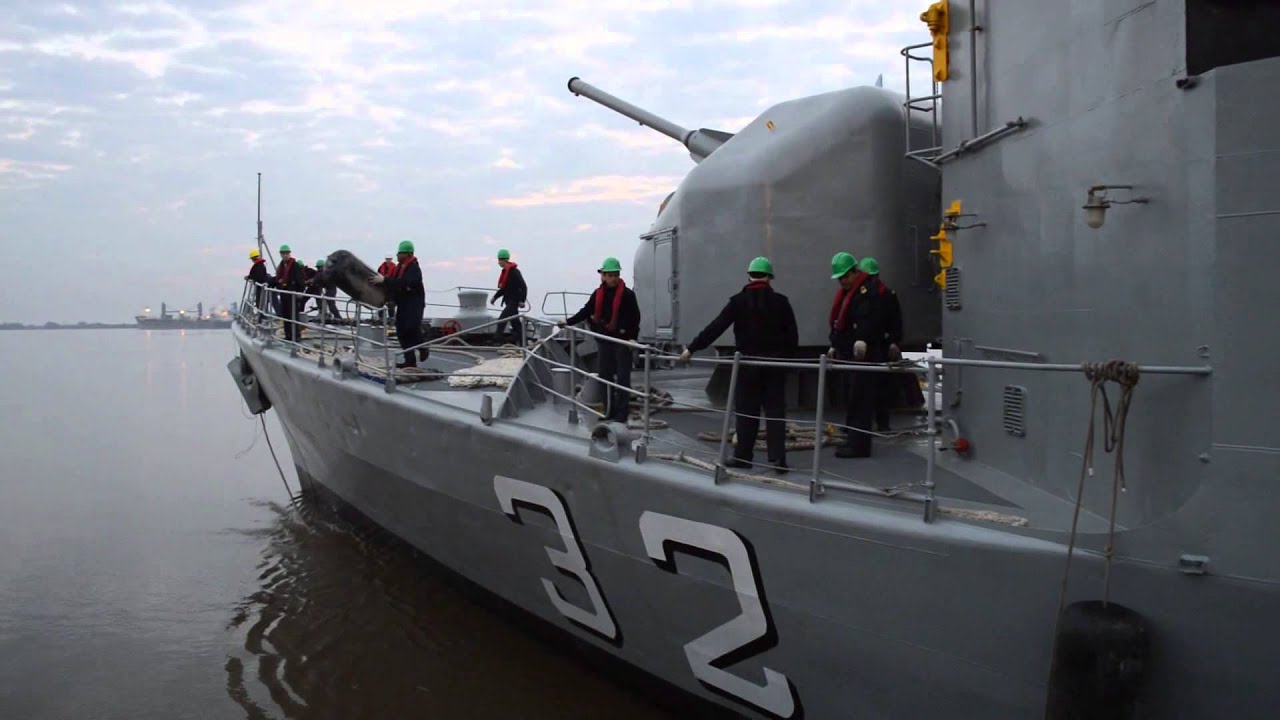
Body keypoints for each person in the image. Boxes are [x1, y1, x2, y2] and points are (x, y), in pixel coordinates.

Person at [679, 257, 798, 473]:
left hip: (747, 366)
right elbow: (792, 337)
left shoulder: (737, 302)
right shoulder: (782, 302)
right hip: (774, 367)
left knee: (746, 412)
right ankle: (778, 460)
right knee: (775, 413)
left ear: (749, 276)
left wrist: (692, 348)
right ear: (769, 277)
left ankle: (743, 456)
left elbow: (716, 327)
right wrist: (785, 360)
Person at [827, 251, 896, 458]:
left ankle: (859, 446)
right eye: (839, 278)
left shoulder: (868, 292)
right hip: (849, 354)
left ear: (854, 272)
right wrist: (835, 343)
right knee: (853, 398)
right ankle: (854, 440)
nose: (842, 282)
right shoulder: (852, 292)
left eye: (844, 277)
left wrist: (863, 338)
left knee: (860, 400)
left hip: (863, 356)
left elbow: (870, 317)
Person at [558, 257, 641, 423]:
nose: (611, 278)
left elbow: (635, 318)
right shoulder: (598, 294)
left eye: (614, 275)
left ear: (618, 275)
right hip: (604, 341)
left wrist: (632, 338)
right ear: (602, 275)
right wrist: (568, 322)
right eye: (608, 275)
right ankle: (609, 410)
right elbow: (586, 311)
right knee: (605, 376)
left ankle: (622, 414)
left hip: (623, 342)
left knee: (623, 378)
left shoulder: (627, 295)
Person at [856, 257, 906, 430]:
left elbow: (895, 319)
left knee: (878, 388)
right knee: (874, 388)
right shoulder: (885, 294)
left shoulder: (885, 295)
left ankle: (878, 423)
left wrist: (894, 341)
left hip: (879, 345)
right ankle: (873, 424)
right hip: (873, 345)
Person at [373, 240, 427, 369]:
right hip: (403, 303)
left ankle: (423, 347)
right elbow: (395, 284)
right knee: (402, 332)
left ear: (408, 254)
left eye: (400, 253)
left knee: (411, 328)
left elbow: (405, 282)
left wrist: (385, 280)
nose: (397, 255)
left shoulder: (413, 268)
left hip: (414, 303)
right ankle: (410, 361)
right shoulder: (399, 268)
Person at [490, 249, 527, 344]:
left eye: (499, 260)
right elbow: (503, 289)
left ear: (504, 260)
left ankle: (497, 340)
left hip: (513, 302)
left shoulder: (514, 272)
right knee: (516, 324)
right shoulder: (506, 272)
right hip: (508, 301)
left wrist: (522, 300)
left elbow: (523, 286)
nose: (498, 262)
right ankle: (524, 342)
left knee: (502, 320)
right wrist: (495, 297)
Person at [273, 244, 306, 341]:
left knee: (293, 316)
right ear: (280, 254)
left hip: (292, 295)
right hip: (284, 295)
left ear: (289, 254)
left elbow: (300, 280)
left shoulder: (294, 265)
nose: (285, 255)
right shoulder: (282, 266)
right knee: (286, 316)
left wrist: (299, 292)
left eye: (287, 253)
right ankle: (288, 336)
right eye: (283, 254)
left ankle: (296, 336)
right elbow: (278, 279)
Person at [245, 248, 269, 318]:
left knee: (260, 302)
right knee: (261, 302)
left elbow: (256, 276)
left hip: (260, 287)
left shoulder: (258, 266)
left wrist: (249, 277)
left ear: (253, 258)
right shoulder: (261, 265)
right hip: (261, 286)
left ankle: (261, 317)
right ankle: (261, 316)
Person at [377, 254, 397, 323]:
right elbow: (377, 276)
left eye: (389, 259)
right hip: (382, 289)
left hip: (391, 289)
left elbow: (396, 278)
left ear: (391, 260)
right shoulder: (381, 267)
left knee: (391, 304)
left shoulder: (395, 268)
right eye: (387, 259)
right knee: (381, 303)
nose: (388, 260)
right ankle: (380, 318)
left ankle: (391, 318)